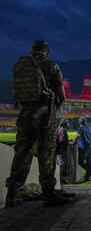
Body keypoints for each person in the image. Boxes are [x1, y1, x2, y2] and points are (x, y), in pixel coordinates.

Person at [6, 40, 70, 207]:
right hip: (44, 116)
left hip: (25, 116)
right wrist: (52, 112)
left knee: (21, 155)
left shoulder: (22, 66)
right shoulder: (51, 65)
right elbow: (61, 95)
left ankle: (11, 194)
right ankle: (49, 195)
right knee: (46, 155)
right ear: (47, 52)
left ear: (32, 50)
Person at [74, 116, 91, 182]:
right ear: (85, 122)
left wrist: (73, 142)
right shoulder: (89, 128)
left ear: (79, 122)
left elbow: (77, 136)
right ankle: (87, 177)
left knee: (80, 162)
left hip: (83, 147)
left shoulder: (80, 128)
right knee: (88, 163)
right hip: (90, 147)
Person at [56, 118, 72, 184]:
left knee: (62, 164)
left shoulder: (60, 129)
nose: (69, 124)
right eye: (68, 123)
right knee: (62, 165)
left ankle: (61, 179)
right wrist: (68, 142)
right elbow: (60, 141)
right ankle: (60, 180)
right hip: (61, 150)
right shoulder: (62, 130)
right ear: (64, 124)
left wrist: (68, 141)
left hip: (60, 150)